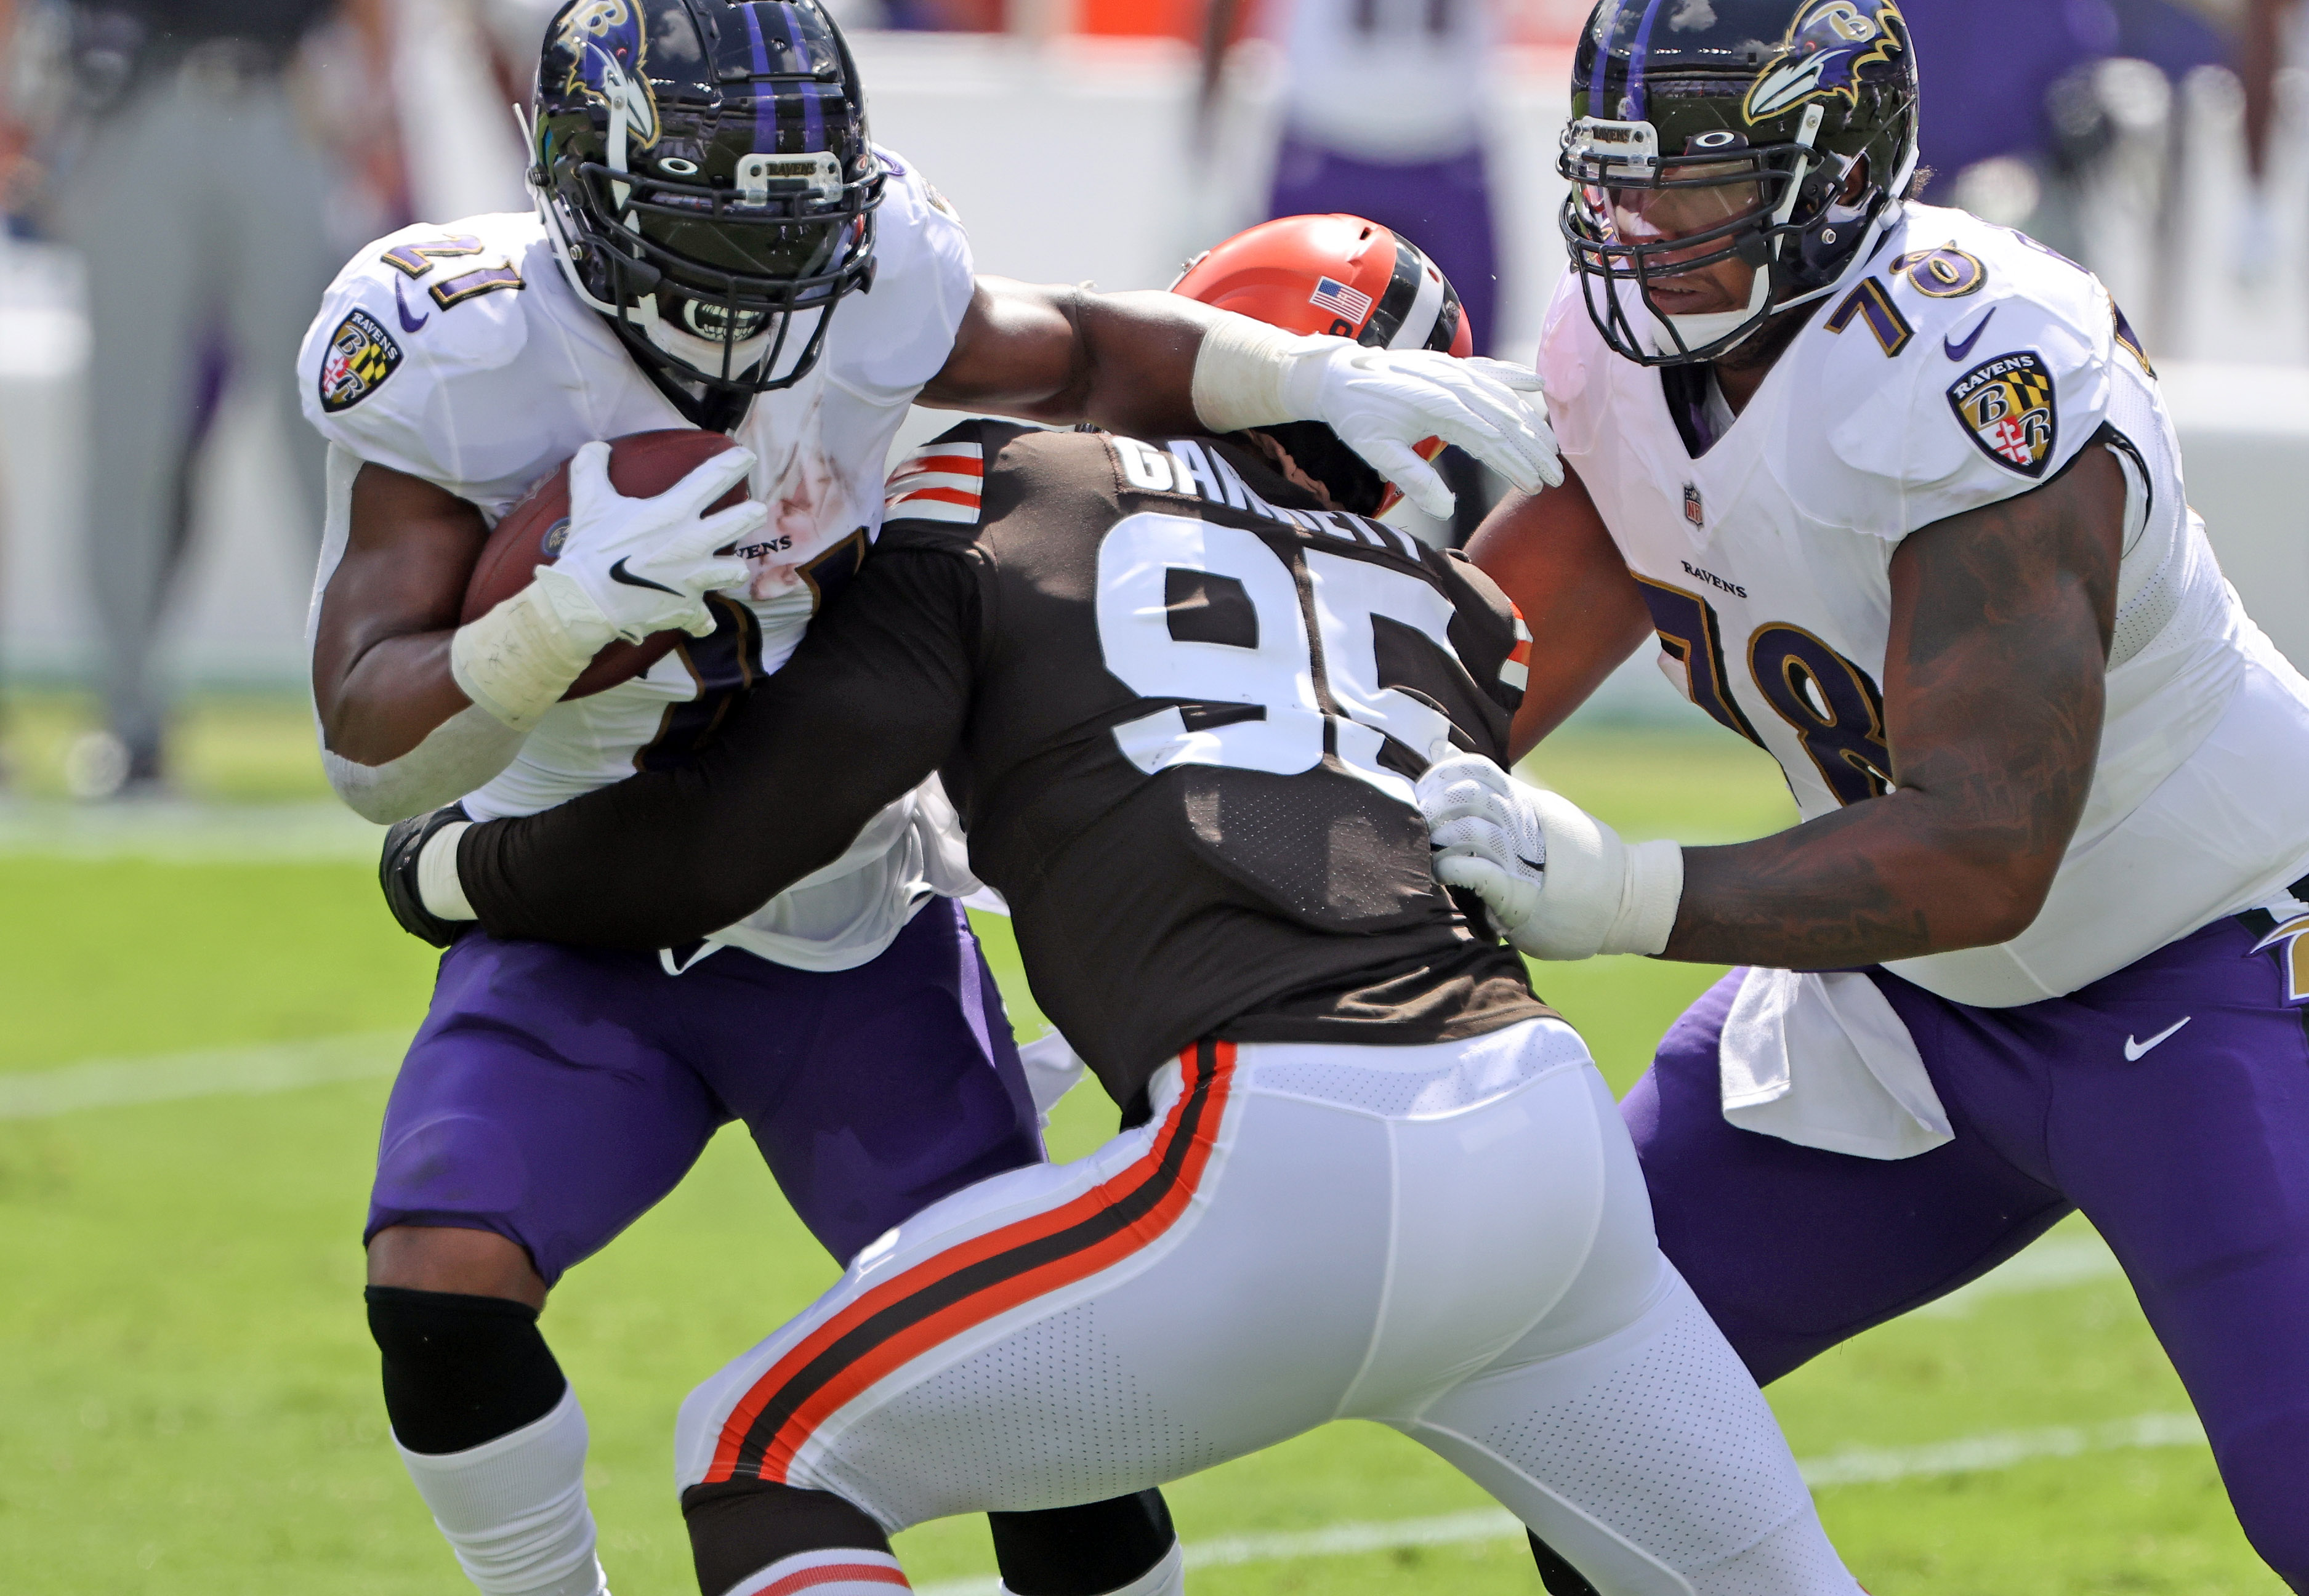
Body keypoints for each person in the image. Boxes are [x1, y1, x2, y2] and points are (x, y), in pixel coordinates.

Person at [375, 212, 1869, 1596]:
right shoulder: (1455, 611)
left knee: (762, 1454)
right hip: (1547, 1159)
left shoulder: (1003, 489)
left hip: (1276, 1156)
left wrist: (455, 864)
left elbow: (732, 842)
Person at [296, 3, 1560, 1592]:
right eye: (712, 209)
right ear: (584, 190)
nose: (763, 261)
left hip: (847, 913)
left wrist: (1300, 374)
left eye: (793, 209)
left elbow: (1090, 352)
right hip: (575, 892)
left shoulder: (876, 265)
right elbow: (368, 751)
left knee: (1034, 1386)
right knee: (441, 1284)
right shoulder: (458, 343)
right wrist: (549, 624)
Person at [1422, 1, 2309, 1584]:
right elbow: (1464, 682)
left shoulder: (1976, 365)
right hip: (1900, 994)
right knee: (1595, 1418)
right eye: (1614, 182)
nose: (1637, 232)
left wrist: (1627, 893)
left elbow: (1983, 846)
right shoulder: (1626, 351)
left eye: (1687, 185)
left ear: (1831, 169)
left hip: (2207, 956)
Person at [0, 0, 400, 796]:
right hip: (134, 107)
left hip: (274, 105)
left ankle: (384, 708)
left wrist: (375, 111)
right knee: (131, 437)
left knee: (330, 428)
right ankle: (131, 723)